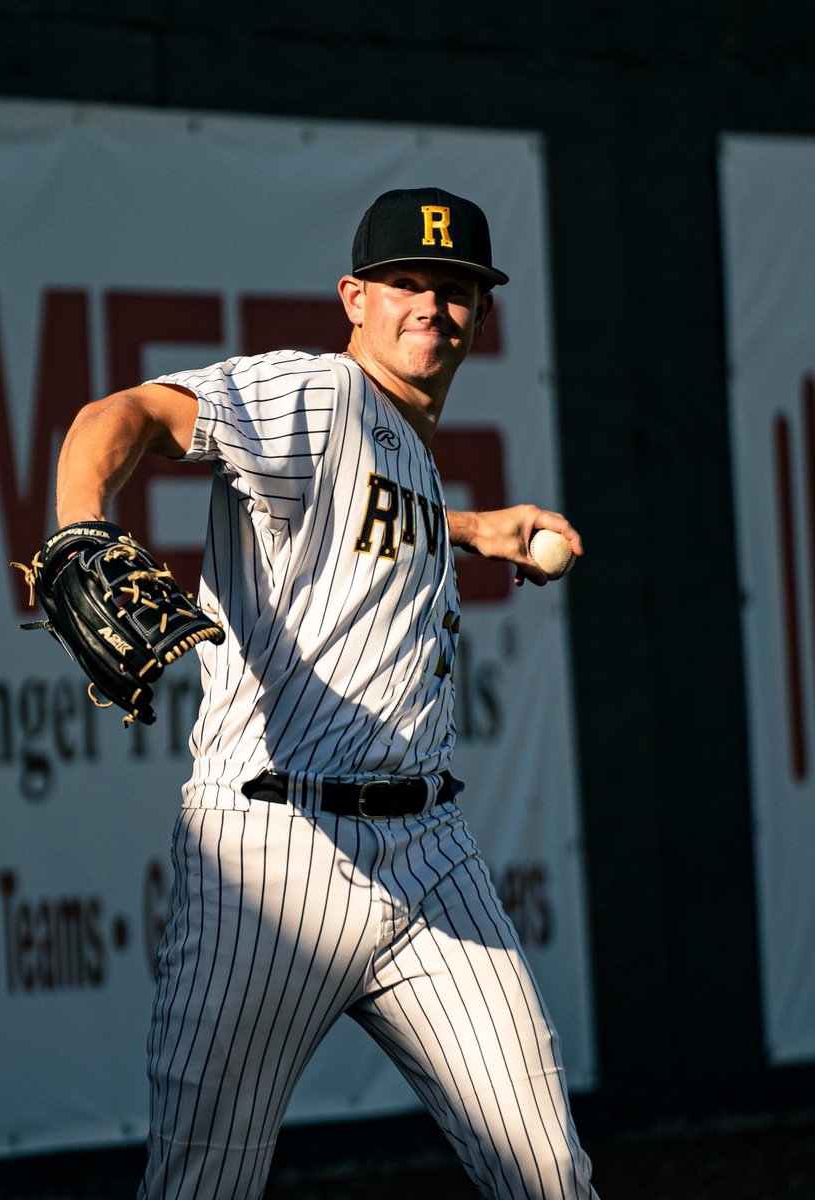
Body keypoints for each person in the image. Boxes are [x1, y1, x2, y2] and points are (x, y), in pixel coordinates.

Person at [54, 186, 596, 1199]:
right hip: (274, 855)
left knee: (550, 1178)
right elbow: (121, 415)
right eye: (408, 284)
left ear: (481, 315)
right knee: (201, 1188)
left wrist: (483, 531)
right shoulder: (319, 395)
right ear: (354, 297)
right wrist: (82, 527)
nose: (433, 307)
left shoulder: (401, 445)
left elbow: (379, 514)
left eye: (458, 290)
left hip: (430, 855)